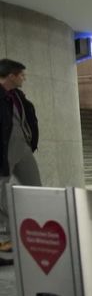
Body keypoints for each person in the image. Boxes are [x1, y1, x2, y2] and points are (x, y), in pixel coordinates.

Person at [0, 59, 42, 255]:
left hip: (22, 146)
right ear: (11, 76)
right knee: (1, 195)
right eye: (21, 75)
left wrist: (31, 143)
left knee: (35, 189)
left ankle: (36, 230)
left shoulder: (18, 96)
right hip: (3, 149)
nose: (24, 78)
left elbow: (29, 119)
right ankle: (10, 237)